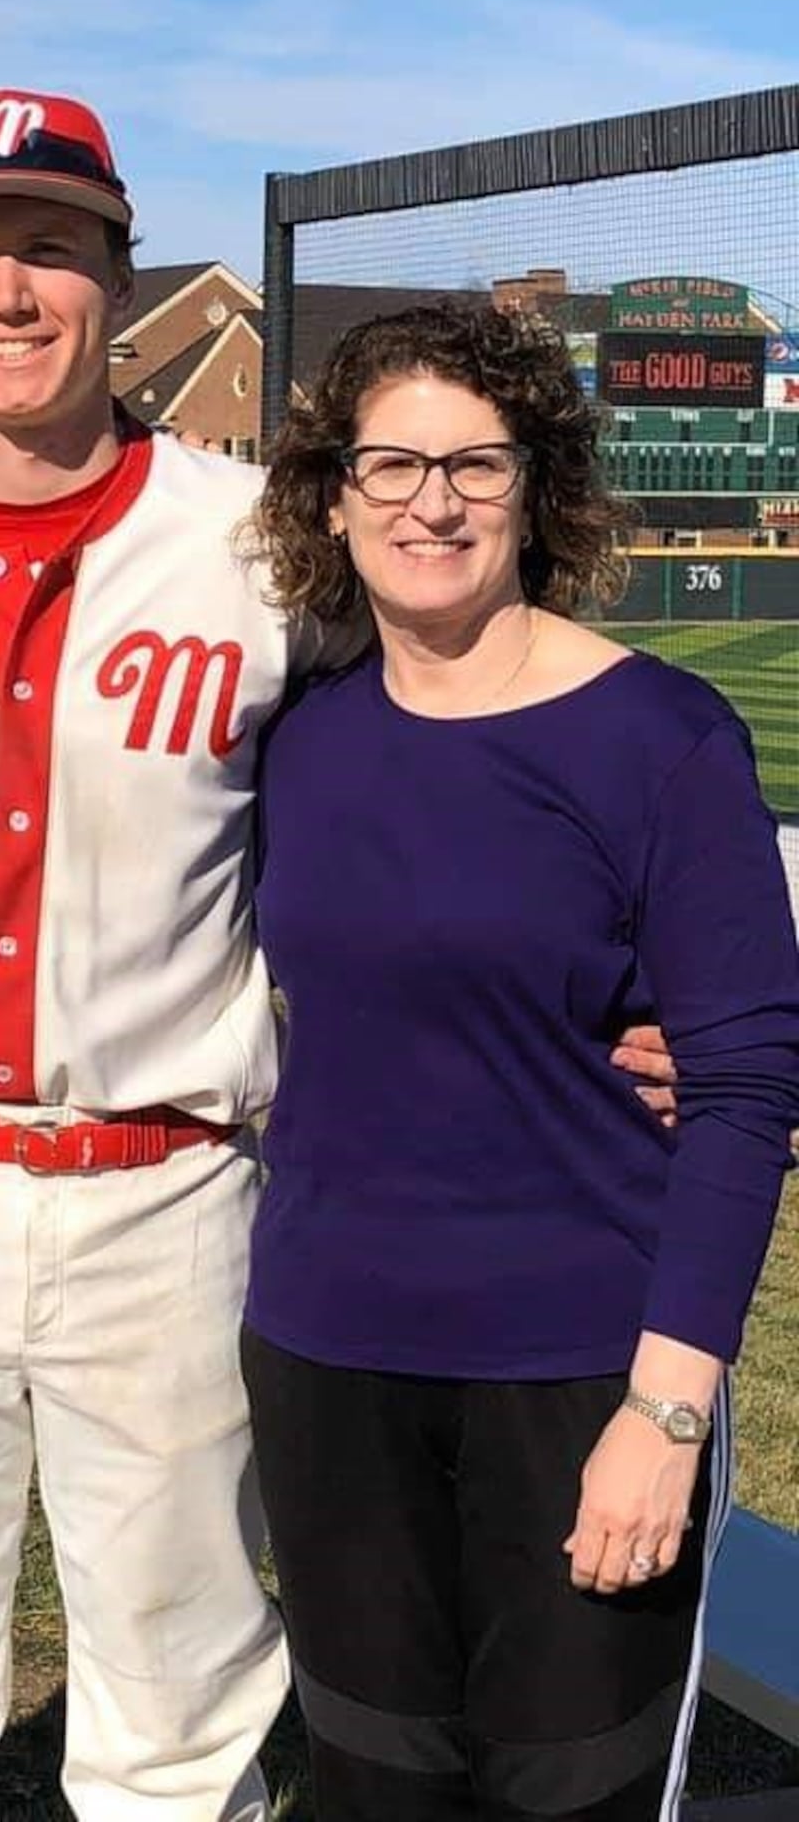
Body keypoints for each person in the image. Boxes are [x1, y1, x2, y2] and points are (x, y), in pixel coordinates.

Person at [0, 96, 676, 1822]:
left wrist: (628, 987)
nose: (8, 291)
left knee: (178, 1706)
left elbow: (453, 741)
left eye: (48, 246)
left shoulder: (264, 541)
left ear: (118, 271)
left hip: (169, 1190)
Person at [239, 301, 799, 1822]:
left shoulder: (660, 740)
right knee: (374, 1777)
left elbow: (748, 1088)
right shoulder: (301, 740)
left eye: (476, 466)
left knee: (573, 1795)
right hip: (328, 1359)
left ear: (538, 486)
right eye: (394, 465)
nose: (433, 502)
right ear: (333, 495)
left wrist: (666, 1414)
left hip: (580, 1373)